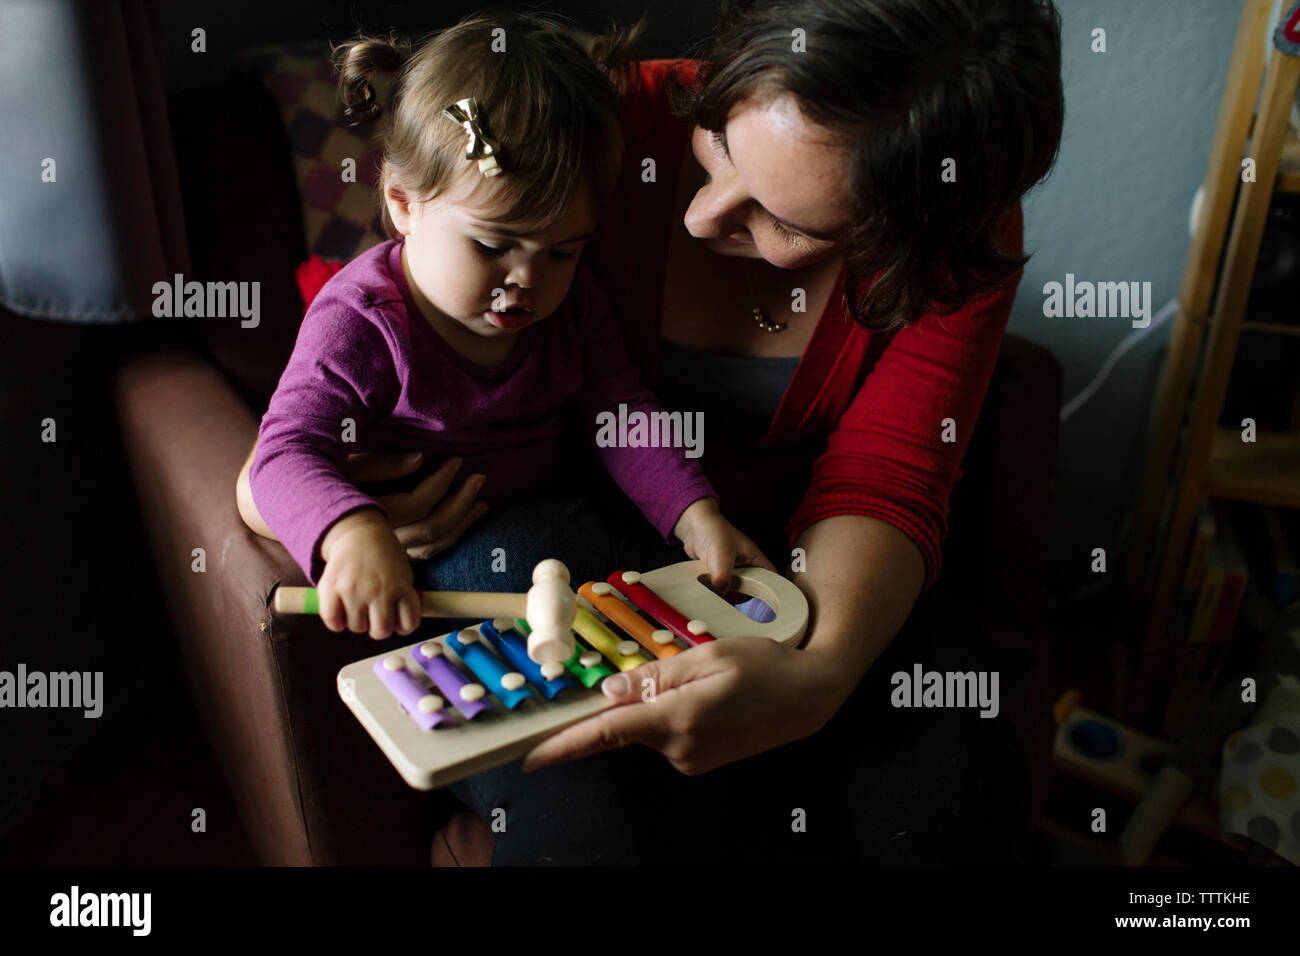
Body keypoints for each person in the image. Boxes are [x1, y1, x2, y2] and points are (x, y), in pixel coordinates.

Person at [239, 0, 1065, 864]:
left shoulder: (948, 237)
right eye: (717, 146)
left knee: (950, 784)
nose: (704, 219)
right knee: (595, 787)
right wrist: (347, 520)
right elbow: (279, 454)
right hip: (541, 546)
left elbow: (646, 416)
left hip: (761, 567)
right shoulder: (573, 139)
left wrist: (748, 586)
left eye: (787, 224)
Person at [242, 13, 773, 643]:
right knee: (523, 567)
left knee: (681, 569)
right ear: (403, 205)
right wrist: (352, 532)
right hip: (459, 546)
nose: (527, 278)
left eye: (562, 251)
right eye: (493, 245)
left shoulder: (572, 303)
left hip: (565, 504)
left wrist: (694, 511)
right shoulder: (360, 321)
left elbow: (621, 409)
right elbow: (283, 453)